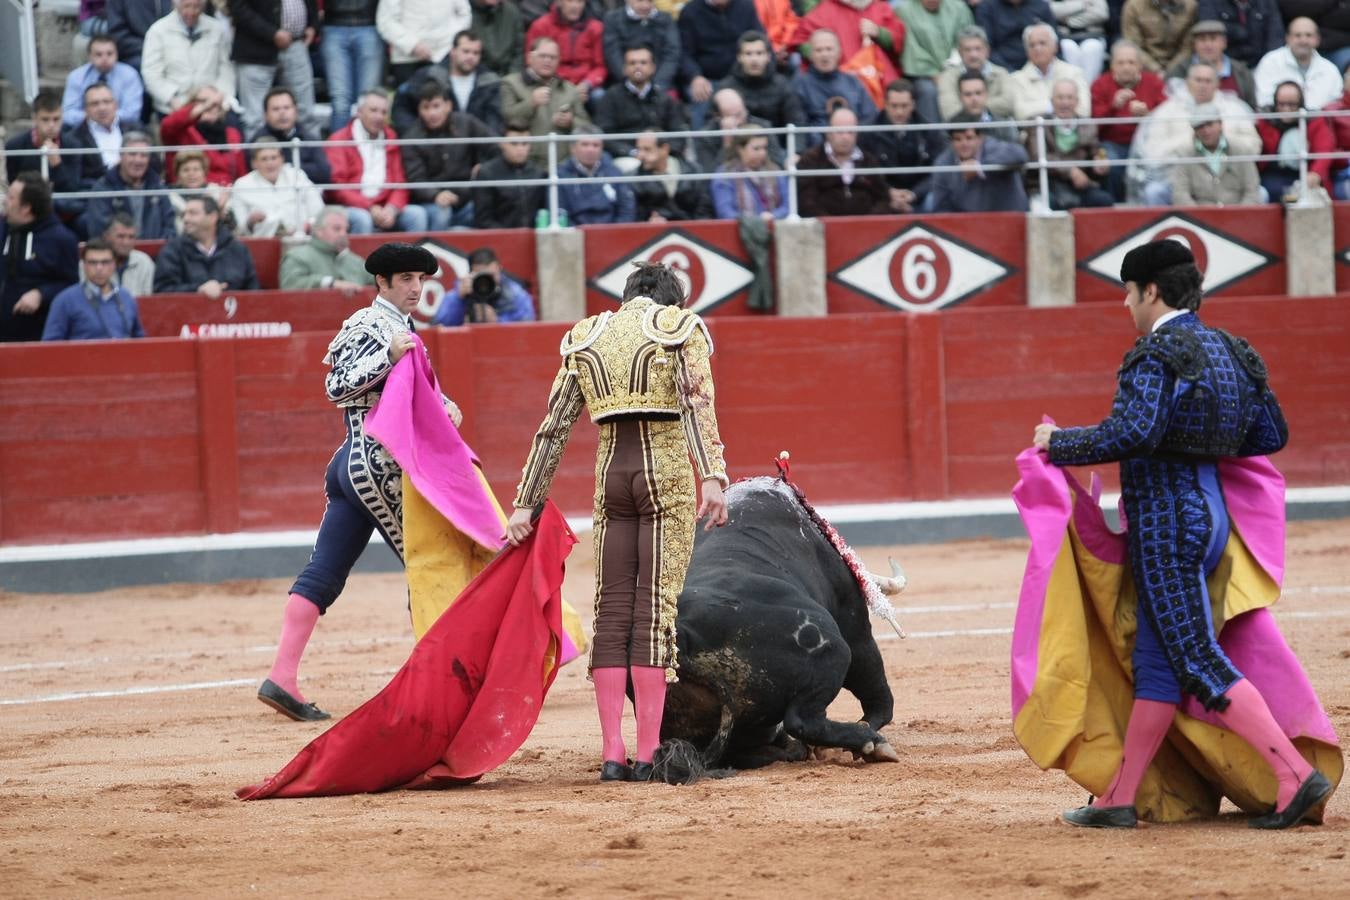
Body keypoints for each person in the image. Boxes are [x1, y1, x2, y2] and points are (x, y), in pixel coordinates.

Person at [1033, 238, 1332, 831]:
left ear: (1151, 290)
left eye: (1127, 292)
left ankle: (1293, 774)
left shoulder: (1156, 352)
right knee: (1158, 662)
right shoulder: (1230, 350)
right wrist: (1206, 446)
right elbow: (1270, 432)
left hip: (1167, 521)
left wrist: (1058, 443)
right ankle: (1120, 796)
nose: (1125, 305)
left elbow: (1132, 433)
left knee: (1195, 656)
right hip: (1211, 513)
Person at [505, 260, 729, 783]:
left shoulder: (586, 336)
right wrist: (713, 475)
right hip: (665, 477)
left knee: (612, 612)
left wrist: (525, 502)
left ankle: (612, 754)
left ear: (628, 295)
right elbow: (698, 403)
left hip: (611, 478)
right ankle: (648, 752)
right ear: (671, 300)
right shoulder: (680, 326)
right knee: (653, 610)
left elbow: (553, 427)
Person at [257, 243, 449, 720]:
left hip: (354, 468)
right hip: (380, 467)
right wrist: (386, 354)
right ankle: (438, 682)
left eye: (419, 279)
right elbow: (337, 386)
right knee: (432, 564)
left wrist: (444, 408)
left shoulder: (400, 327)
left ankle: (281, 676)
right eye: (404, 278)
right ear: (381, 283)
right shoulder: (369, 325)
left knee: (324, 571)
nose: (415, 287)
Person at [1129, 61, 1261, 205]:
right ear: (1187, 83)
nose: (1202, 85)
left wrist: (1218, 140)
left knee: (1261, 194)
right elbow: (1153, 155)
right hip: (1177, 178)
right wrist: (1189, 142)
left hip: (1230, 179)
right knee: (1154, 192)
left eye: (1208, 81)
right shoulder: (1166, 111)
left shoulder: (1235, 109)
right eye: (1198, 80)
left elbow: (1254, 147)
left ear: (1217, 84)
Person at [400, 82, 497, 231]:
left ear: (448, 105)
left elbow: (495, 145)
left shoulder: (467, 122)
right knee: (441, 212)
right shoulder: (411, 137)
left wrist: (484, 167)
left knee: (486, 206)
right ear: (419, 111)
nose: (432, 113)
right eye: (426, 107)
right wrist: (435, 195)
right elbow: (415, 179)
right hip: (432, 203)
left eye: (436, 106)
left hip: (466, 198)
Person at [325, 90, 425, 234]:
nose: (379, 117)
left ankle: (412, 257)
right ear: (359, 112)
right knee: (362, 219)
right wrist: (369, 207)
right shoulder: (338, 140)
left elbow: (400, 182)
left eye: (384, 112)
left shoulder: (391, 137)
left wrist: (392, 208)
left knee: (417, 215)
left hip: (384, 206)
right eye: (373, 110)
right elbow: (337, 188)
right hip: (352, 207)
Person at [0, 174, 81, 343]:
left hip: (37, 338)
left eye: (11, 197)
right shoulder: (3, 229)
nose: (5, 200)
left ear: (26, 208)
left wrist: (41, 294)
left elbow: (71, 286)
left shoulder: (62, 239)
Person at [231, 0, 319, 137]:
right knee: (254, 119)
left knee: (306, 115)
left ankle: (313, 157)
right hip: (255, 48)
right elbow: (238, 7)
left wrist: (313, 24)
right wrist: (272, 33)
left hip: (296, 45)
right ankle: (260, 157)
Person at [1091, 39, 1167, 198]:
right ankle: (1115, 210)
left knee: (1156, 166)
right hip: (1112, 143)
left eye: (1131, 62)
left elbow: (1167, 117)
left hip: (1148, 143)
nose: (1126, 67)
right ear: (1112, 66)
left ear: (1140, 65)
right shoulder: (1100, 84)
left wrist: (1148, 115)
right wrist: (1113, 107)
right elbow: (1093, 126)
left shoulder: (1154, 82)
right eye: (1121, 63)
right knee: (1110, 165)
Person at [502, 36, 593, 167]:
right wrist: (531, 103)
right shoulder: (510, 83)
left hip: (564, 164)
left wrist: (570, 121)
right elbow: (508, 120)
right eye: (542, 56)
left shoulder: (569, 89)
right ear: (529, 58)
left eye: (553, 57)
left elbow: (587, 128)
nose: (547, 61)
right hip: (526, 164)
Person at [393, 30, 505, 136]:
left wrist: (486, 145)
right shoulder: (428, 76)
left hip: (476, 149)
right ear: (453, 52)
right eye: (466, 51)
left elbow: (495, 121)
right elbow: (402, 107)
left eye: (476, 53)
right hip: (432, 147)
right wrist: (415, 136)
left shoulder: (490, 82)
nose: (471, 57)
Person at [860, 78, 947, 213]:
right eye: (894, 106)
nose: (899, 112)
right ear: (885, 104)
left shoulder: (929, 131)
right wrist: (888, 192)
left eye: (904, 106)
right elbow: (863, 171)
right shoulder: (868, 132)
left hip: (919, 195)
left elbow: (938, 171)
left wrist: (914, 194)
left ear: (913, 105)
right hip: (881, 195)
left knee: (934, 200)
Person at [4, 91, 90, 228]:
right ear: (34, 118)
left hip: (63, 211)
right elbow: (14, 183)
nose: (51, 125)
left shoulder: (73, 145)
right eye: (45, 119)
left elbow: (72, 188)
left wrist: (57, 164)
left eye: (56, 119)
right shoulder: (15, 145)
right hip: (27, 208)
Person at [1026, 79, 1114, 209]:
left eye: (1069, 98)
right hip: (1048, 183)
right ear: (1052, 101)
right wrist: (1070, 171)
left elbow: (1095, 152)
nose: (1065, 102)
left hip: (1080, 184)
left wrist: (1100, 163)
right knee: (1050, 204)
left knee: (1105, 200)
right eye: (1060, 97)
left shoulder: (1088, 125)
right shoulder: (1038, 123)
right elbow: (1038, 155)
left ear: (1077, 101)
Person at [140, 0, 236, 116]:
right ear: (176, 5)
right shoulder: (157, 31)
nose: (191, 12)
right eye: (186, 6)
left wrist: (219, 95)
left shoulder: (216, 29)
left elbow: (226, 68)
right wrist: (172, 99)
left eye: (196, 7)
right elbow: (151, 73)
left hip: (212, 102)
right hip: (173, 105)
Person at [593, 43, 689, 159]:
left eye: (643, 62)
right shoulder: (610, 98)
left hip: (662, 157)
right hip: (626, 157)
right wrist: (632, 152)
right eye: (632, 63)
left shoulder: (665, 99)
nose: (638, 66)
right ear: (625, 68)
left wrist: (661, 153)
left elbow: (678, 135)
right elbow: (605, 135)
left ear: (653, 67)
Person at [795, 105, 893, 216]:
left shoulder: (868, 161)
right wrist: (831, 225)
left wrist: (867, 223)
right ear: (829, 133)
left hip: (866, 228)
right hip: (823, 228)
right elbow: (806, 202)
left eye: (850, 132)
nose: (845, 137)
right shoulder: (810, 160)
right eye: (840, 132)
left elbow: (883, 199)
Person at [153, 196, 261, 296]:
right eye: (184, 214)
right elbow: (162, 290)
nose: (185, 219)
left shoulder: (238, 249)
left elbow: (252, 290)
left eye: (192, 213)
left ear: (213, 217)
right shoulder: (172, 250)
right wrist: (198, 289)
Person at [677, 0, 764, 123]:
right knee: (700, 96)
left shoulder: (746, 6)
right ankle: (702, 141)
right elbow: (684, 52)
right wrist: (694, 76)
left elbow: (759, 39)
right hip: (706, 79)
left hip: (741, 76)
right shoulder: (690, 11)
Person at [42, 239, 145, 341]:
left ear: (114, 264)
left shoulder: (126, 297)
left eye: (105, 262)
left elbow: (139, 340)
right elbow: (50, 346)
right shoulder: (65, 301)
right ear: (83, 265)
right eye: (92, 262)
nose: (99, 268)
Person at [790, 0, 907, 89]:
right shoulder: (825, 9)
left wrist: (879, 32)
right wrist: (823, 53)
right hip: (836, 80)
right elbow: (802, 41)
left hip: (879, 80)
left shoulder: (879, 7)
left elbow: (898, 39)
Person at [792, 29, 879, 146]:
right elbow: (800, 127)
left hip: (855, 150)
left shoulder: (854, 83)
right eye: (819, 50)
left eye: (829, 49)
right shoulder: (800, 86)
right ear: (811, 55)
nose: (824, 54)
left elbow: (869, 118)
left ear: (839, 53)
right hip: (816, 155)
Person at [83, 133, 178, 241]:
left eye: (143, 155)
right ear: (121, 155)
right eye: (132, 154)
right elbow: (98, 232)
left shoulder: (158, 187)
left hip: (156, 255)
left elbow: (170, 227)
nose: (138, 160)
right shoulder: (103, 188)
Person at [894, 0, 974, 125]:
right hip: (922, 74)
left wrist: (951, 71)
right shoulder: (904, 11)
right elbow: (912, 49)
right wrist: (932, 73)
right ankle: (936, 138)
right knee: (928, 91)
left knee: (973, 85)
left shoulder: (959, 8)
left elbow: (967, 41)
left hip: (958, 69)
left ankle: (972, 132)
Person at [930, 112, 1030, 211]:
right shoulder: (944, 162)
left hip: (1008, 218)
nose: (964, 144)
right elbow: (941, 206)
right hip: (967, 222)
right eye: (957, 139)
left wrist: (980, 167)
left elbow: (1020, 155)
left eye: (969, 138)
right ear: (951, 141)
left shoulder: (992, 146)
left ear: (980, 138)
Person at [1255, 80, 1334, 201]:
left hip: (1304, 177)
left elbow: (1325, 150)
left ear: (1300, 104)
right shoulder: (1265, 120)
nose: (1286, 109)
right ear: (1275, 103)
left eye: (1292, 104)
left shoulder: (1314, 120)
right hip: (1270, 176)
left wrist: (1315, 173)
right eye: (1281, 104)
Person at [1169, 102, 1262, 203]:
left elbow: (1252, 190)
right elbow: (1180, 194)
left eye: (1209, 124)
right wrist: (1196, 217)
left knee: (1262, 193)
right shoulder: (1185, 154)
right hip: (1200, 214)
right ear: (1194, 131)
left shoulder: (1241, 150)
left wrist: (1240, 216)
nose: (1206, 131)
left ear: (1221, 124)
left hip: (1236, 212)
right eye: (1200, 127)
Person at [231, 138, 326, 237]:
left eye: (274, 157)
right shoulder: (242, 185)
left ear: (282, 159)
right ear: (254, 163)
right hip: (265, 242)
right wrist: (250, 222)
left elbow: (319, 212)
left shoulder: (297, 176)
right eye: (264, 159)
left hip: (302, 238)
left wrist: (309, 225)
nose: (270, 163)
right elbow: (241, 229)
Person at [158, 85, 248, 187]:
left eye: (215, 103)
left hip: (228, 193)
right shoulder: (181, 130)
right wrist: (205, 106)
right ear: (191, 104)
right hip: (189, 193)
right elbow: (167, 125)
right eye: (203, 101)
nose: (210, 106)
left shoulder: (232, 133)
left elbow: (241, 172)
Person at [716, 31, 804, 133]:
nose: (754, 59)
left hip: (777, 146)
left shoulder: (782, 85)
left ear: (768, 56)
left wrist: (796, 149)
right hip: (738, 146)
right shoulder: (726, 88)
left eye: (759, 53)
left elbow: (796, 121)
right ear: (739, 57)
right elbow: (712, 125)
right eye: (748, 53)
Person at [525, 0, 607, 107]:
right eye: (570, 1)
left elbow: (600, 66)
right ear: (558, 2)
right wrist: (564, 88)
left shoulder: (596, 28)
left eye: (579, 2)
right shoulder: (541, 26)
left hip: (585, 85)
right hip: (552, 83)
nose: (575, 6)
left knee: (599, 96)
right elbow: (531, 61)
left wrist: (587, 84)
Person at [376, 0, 474, 87]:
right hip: (407, 59)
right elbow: (386, 21)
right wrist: (412, 45)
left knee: (445, 104)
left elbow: (464, 14)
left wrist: (450, 42)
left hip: (444, 56)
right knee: (409, 104)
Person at [278, 206, 376, 292]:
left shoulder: (355, 261)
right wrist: (329, 283)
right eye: (337, 229)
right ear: (318, 231)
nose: (343, 234)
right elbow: (290, 285)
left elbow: (379, 284)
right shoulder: (297, 256)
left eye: (346, 229)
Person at [321, 0, 383, 134]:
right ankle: (337, 152)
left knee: (368, 99)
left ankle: (366, 152)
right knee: (340, 101)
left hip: (369, 24)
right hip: (334, 24)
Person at [431, 247, 536, 325]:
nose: (487, 281)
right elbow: (439, 326)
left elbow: (527, 325)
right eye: (482, 276)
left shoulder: (515, 294)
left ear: (499, 269)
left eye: (491, 275)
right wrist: (458, 300)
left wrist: (498, 321)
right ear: (471, 274)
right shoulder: (460, 292)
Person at [1252, 16, 1341, 109]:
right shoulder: (1270, 62)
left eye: (1308, 35)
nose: (1303, 40)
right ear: (1288, 38)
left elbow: (1336, 105)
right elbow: (1263, 101)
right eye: (1298, 35)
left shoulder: (1330, 69)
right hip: (1278, 122)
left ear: (1317, 39)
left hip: (1319, 122)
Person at [1168, 19, 1258, 109]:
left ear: (1224, 43)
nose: (1208, 45)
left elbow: (1251, 107)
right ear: (1194, 44)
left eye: (1213, 39)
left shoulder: (1241, 72)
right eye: (1202, 40)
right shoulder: (1179, 70)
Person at [1009, 22, 1092, 120]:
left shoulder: (1074, 73)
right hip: (1034, 133)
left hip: (1071, 132)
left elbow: (1084, 110)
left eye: (1042, 43)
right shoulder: (1016, 79)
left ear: (1055, 47)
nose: (1037, 48)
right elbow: (1020, 113)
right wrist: (1055, 105)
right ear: (1027, 51)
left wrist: (1039, 107)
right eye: (1032, 45)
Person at [252, 87, 331, 188]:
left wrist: (286, 166)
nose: (282, 113)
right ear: (265, 115)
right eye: (276, 109)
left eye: (286, 108)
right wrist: (301, 167)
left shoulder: (309, 137)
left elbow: (324, 173)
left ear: (295, 111)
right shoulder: (257, 141)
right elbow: (255, 175)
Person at [472, 124, 547, 229]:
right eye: (514, 143)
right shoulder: (486, 173)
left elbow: (545, 212)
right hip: (499, 239)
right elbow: (482, 219)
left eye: (525, 144)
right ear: (502, 144)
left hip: (533, 236)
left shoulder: (538, 173)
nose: (520, 149)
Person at [61, 34, 144, 128]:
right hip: (85, 128)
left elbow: (132, 113)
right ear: (90, 56)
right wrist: (93, 118)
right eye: (98, 54)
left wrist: (106, 118)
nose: (105, 59)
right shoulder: (76, 76)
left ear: (117, 54)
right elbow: (67, 113)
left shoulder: (129, 74)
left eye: (109, 54)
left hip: (120, 127)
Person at [556, 128, 638, 223]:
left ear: (602, 148)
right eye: (585, 144)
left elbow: (627, 208)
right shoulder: (560, 175)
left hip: (612, 233)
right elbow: (559, 213)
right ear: (572, 148)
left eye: (596, 145)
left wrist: (616, 232)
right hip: (576, 235)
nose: (591, 149)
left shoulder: (613, 171)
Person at [936, 25, 1015, 121]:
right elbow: (950, 110)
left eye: (978, 49)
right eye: (967, 50)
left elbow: (1009, 104)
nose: (973, 55)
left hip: (997, 129)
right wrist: (983, 108)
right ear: (960, 53)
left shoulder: (1001, 73)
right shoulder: (948, 76)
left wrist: (973, 106)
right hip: (962, 131)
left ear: (987, 51)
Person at [632, 131, 714, 222]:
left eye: (647, 149)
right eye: (638, 150)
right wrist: (648, 223)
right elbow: (636, 217)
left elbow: (704, 209)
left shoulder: (694, 171)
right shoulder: (635, 179)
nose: (640, 155)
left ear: (664, 149)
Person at [710, 127, 790, 218]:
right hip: (740, 228)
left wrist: (773, 216)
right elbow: (725, 212)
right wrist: (753, 222)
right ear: (740, 149)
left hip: (774, 225)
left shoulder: (775, 171)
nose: (762, 153)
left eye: (765, 148)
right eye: (756, 149)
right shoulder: (725, 175)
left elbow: (787, 207)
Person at [601, 0, 682, 90]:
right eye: (640, 1)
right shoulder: (613, 20)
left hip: (661, 84)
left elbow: (671, 55)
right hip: (622, 85)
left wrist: (658, 85)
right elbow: (613, 55)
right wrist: (630, 84)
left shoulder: (666, 20)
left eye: (650, 1)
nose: (645, 6)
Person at [1196, 0, 1284, 68]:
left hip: (1260, 64)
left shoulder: (1266, 2)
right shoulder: (1210, 2)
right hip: (1224, 63)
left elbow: (1276, 37)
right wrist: (1238, 32)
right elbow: (1209, 30)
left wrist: (1268, 63)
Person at [975, 0, 1057, 71]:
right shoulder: (987, 8)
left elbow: (1054, 40)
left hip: (1040, 66)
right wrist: (1008, 70)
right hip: (1003, 67)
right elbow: (987, 47)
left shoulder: (1041, 6)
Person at [1121, 0, 1197, 74]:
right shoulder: (1134, 5)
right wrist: (1156, 69)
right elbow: (1134, 45)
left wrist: (1170, 72)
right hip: (1144, 65)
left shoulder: (1190, 6)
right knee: (1122, 49)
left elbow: (1187, 48)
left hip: (1179, 67)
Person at [951, 70, 1021, 143]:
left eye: (978, 93)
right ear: (960, 97)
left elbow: (1014, 152)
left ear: (986, 94)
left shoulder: (1004, 126)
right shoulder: (950, 126)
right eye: (968, 94)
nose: (974, 99)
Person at [101, 212, 157, 297]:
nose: (126, 242)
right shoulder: (92, 262)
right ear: (107, 237)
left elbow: (150, 301)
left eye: (131, 237)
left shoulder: (145, 262)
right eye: (120, 236)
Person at [470, 0, 524, 77]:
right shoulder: (464, 11)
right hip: (477, 78)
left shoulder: (512, 12)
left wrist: (511, 78)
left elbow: (518, 52)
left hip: (508, 78)